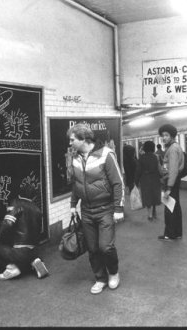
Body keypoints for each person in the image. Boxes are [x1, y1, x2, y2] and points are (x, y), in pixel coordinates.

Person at [68, 123, 125, 295]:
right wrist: (72, 205)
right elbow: (76, 184)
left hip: (105, 208)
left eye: (72, 140)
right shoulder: (75, 157)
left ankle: (113, 273)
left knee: (105, 247)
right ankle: (100, 278)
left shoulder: (106, 154)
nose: (70, 143)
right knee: (92, 248)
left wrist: (118, 208)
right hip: (86, 211)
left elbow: (118, 182)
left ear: (83, 139)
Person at [0, 183, 49, 280]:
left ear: (20, 194)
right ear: (33, 197)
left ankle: (12, 266)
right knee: (24, 254)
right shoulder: (38, 210)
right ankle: (34, 261)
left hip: (18, 252)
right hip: (34, 250)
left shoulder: (16, 204)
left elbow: (7, 225)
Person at [158, 123, 184, 241]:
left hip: (171, 182)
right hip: (174, 181)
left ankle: (170, 234)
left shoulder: (172, 149)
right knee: (176, 207)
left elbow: (173, 170)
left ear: (172, 136)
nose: (164, 138)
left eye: (166, 135)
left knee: (170, 209)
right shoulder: (176, 147)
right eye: (162, 135)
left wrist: (168, 188)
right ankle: (177, 233)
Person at [134, 140, 162, 221]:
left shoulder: (142, 158)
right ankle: (154, 210)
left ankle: (150, 215)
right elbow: (159, 168)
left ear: (145, 148)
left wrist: (136, 181)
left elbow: (138, 171)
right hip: (155, 178)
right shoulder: (156, 157)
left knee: (147, 196)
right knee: (154, 195)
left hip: (145, 179)